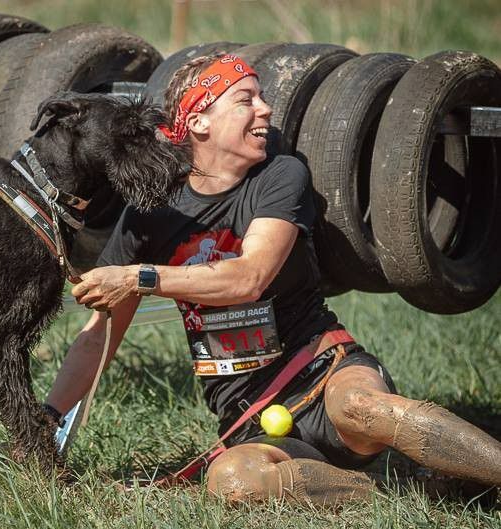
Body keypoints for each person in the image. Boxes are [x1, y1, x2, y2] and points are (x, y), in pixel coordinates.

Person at [43, 54, 501, 505]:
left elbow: (249, 277)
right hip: (249, 416)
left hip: (325, 372)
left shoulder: (280, 176)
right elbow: (96, 339)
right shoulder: (149, 215)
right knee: (233, 481)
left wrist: (141, 276)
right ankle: (392, 492)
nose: (265, 109)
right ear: (200, 120)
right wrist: (44, 423)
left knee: (367, 408)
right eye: (246, 100)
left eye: (262, 98)